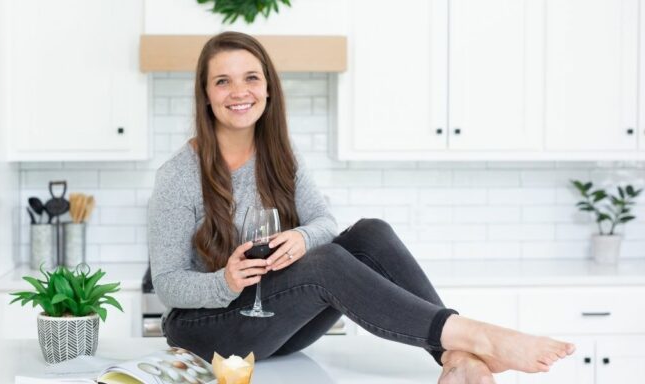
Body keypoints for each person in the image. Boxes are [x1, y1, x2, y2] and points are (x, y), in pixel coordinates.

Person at [147, 31, 575, 384]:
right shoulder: (178, 176)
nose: (239, 91)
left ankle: (455, 355)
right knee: (326, 263)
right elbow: (166, 284)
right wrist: (224, 280)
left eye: (251, 78)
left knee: (370, 233)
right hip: (205, 332)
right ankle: (476, 337)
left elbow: (325, 224)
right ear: (205, 94)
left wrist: (300, 236)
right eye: (222, 81)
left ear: (268, 88)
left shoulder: (279, 154)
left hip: (274, 322)